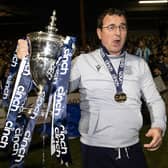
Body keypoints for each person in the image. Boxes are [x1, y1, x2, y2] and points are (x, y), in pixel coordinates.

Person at [16, 8, 167, 168]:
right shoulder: (82, 62)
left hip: (133, 149)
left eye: (122, 27)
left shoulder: (139, 64)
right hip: (95, 152)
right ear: (99, 33)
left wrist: (158, 125)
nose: (118, 33)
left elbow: (155, 100)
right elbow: (53, 89)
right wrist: (29, 62)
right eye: (111, 27)